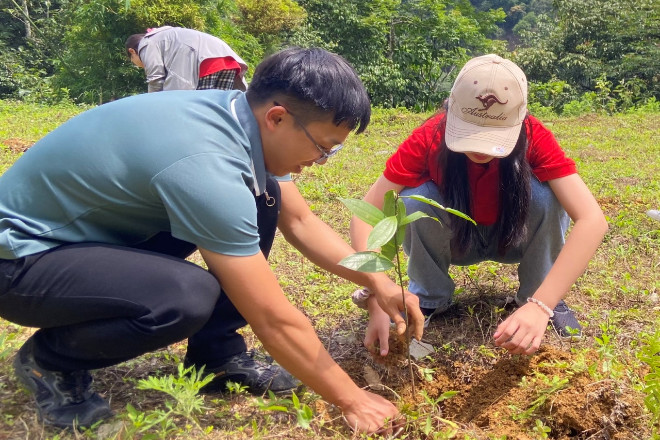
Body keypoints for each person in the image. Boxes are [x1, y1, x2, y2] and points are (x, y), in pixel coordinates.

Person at [0, 47, 424, 433]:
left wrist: (378, 281)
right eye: (324, 147)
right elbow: (273, 318)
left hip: (85, 238)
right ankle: (50, 362)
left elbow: (300, 220)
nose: (321, 160)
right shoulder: (207, 165)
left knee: (266, 200)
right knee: (184, 296)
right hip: (21, 260)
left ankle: (216, 355)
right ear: (277, 117)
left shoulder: (237, 116)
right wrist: (351, 399)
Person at [350, 54, 608, 356]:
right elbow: (366, 215)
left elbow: (592, 219)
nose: (479, 148)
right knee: (412, 199)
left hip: (512, 238)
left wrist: (542, 304)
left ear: (520, 119)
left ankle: (535, 296)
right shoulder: (429, 137)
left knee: (549, 196)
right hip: (455, 240)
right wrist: (379, 288)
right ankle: (430, 296)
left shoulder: (534, 135)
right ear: (451, 109)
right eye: (469, 132)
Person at [125, 26, 248, 92]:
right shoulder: (165, 35)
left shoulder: (147, 43)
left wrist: (150, 106)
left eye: (134, 62)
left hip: (206, 64)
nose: (139, 65)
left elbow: (155, 79)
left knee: (202, 111)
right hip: (227, 59)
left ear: (132, 51)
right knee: (219, 110)